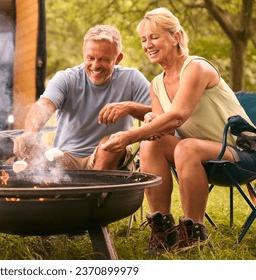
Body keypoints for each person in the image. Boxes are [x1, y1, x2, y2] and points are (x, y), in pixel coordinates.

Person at [101, 7, 255, 254]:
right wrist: (151, 120)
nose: (148, 44)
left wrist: (128, 136)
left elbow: (178, 116)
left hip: (242, 155)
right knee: (153, 143)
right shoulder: (157, 83)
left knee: (185, 146)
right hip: (198, 155)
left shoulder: (196, 67)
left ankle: (194, 233)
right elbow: (163, 126)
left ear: (175, 37)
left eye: (154, 37)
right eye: (143, 39)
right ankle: (162, 229)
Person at [13, 25, 151, 171]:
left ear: (118, 58)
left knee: (109, 143)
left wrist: (130, 107)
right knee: (35, 153)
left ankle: (95, 193)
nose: (95, 65)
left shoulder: (132, 78)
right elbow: (43, 106)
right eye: (90, 58)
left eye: (104, 59)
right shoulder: (66, 78)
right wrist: (30, 132)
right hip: (66, 156)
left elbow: (159, 115)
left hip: (110, 157)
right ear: (84, 54)